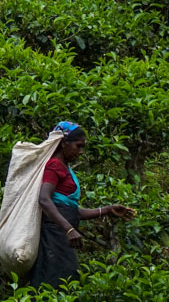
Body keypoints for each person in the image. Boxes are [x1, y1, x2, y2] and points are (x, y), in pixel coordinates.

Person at [27, 122, 135, 288]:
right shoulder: (54, 165)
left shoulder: (65, 168)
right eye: (78, 146)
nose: (81, 152)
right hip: (53, 235)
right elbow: (44, 199)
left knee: (66, 279)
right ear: (64, 143)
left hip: (61, 235)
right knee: (55, 280)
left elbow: (70, 210)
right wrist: (69, 229)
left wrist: (107, 210)